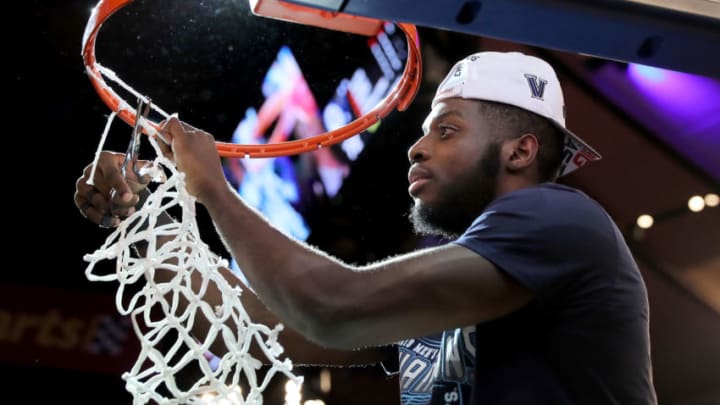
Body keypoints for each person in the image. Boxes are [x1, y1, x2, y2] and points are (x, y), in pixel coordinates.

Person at [75, 51, 657, 404]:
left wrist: (213, 190)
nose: (417, 149)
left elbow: (330, 303)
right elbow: (259, 327)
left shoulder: (558, 215)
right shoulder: (464, 283)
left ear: (520, 151)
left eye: (447, 129)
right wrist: (140, 219)